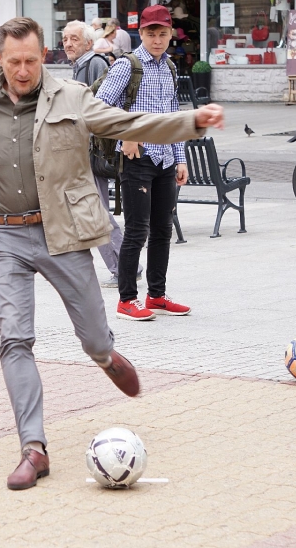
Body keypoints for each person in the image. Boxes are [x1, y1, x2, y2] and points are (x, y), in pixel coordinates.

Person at [0, 17, 224, 490]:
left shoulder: (71, 96)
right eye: (14, 62)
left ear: (44, 56)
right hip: (3, 237)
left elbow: (128, 122)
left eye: (31, 60)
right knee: (14, 339)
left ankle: (105, 355)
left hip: (61, 232)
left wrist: (191, 122)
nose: (23, 71)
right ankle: (33, 448)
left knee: (93, 338)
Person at [95, 5, 194, 322]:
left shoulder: (170, 68)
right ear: (141, 33)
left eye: (163, 33)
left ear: (170, 34)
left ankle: (157, 296)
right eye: (151, 33)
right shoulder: (128, 66)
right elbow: (99, 108)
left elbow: (173, 117)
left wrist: (180, 159)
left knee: (163, 230)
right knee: (137, 231)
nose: (157, 39)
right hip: (136, 159)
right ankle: (127, 300)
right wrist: (127, 133)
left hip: (165, 159)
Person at [63, 20, 142, 288]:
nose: (68, 44)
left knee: (96, 209)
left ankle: (125, 267)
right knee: (91, 209)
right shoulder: (79, 66)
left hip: (90, 150)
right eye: (65, 39)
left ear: (88, 43)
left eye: (74, 39)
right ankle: (121, 266)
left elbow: (97, 110)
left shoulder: (94, 64)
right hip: (81, 150)